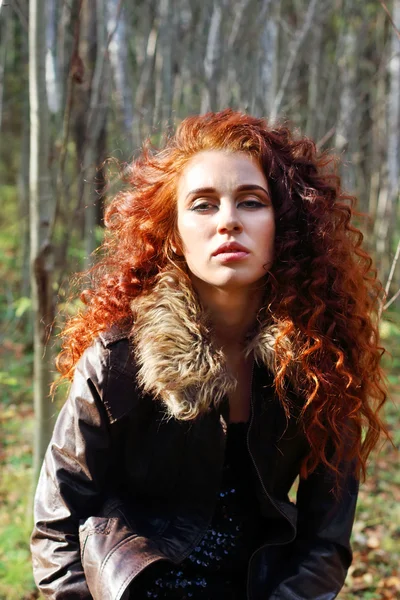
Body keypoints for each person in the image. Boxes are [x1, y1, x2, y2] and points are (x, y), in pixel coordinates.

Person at [31, 109, 387, 600]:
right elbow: (56, 528)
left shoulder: (323, 364)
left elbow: (324, 546)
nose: (228, 222)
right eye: (203, 204)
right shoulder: (115, 360)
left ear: (282, 225)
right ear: (174, 233)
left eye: (251, 202)